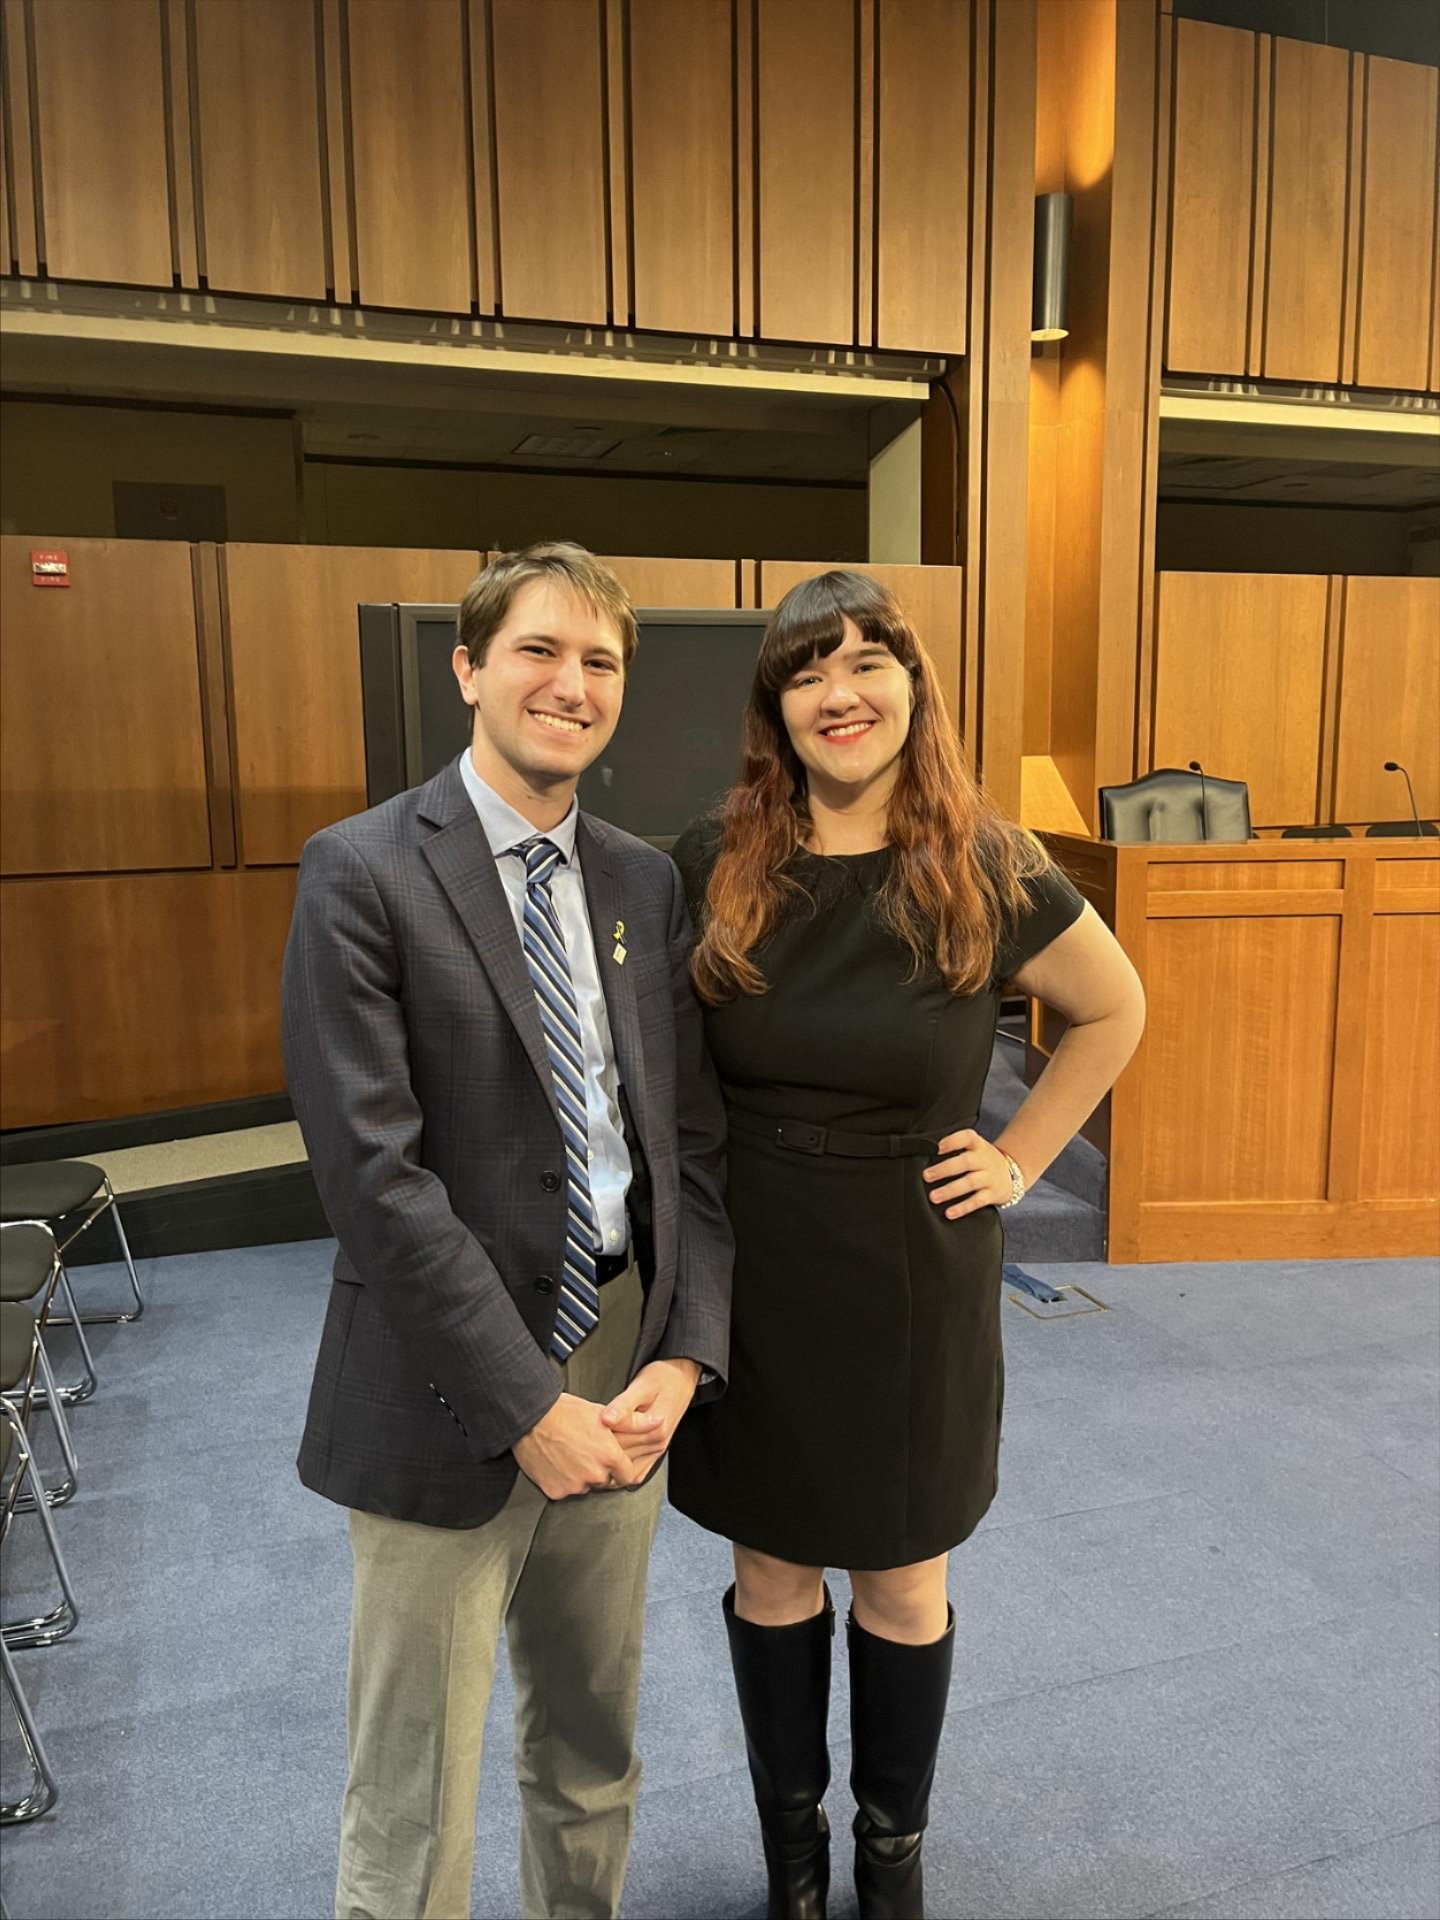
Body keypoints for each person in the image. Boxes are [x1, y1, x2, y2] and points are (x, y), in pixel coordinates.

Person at [667, 570, 1145, 1920]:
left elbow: (1113, 1010)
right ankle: (795, 1860)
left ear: (913, 690)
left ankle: (892, 1858)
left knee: (902, 1566)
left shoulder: (987, 864)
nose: (843, 692)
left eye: (870, 662)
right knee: (768, 1562)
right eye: (810, 670)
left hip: (910, 1266)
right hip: (753, 1262)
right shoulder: (718, 862)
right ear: (780, 706)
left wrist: (1019, 1159)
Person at [281, 541, 733, 1920]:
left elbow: (688, 1145)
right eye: (540, 649)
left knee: (590, 1744)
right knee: (416, 1791)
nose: (571, 682)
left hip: (622, 1355)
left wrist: (687, 1347)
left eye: (600, 662)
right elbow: (377, 1179)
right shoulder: (361, 871)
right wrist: (524, 1401)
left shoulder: (643, 885)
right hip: (448, 1376)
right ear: (470, 668)